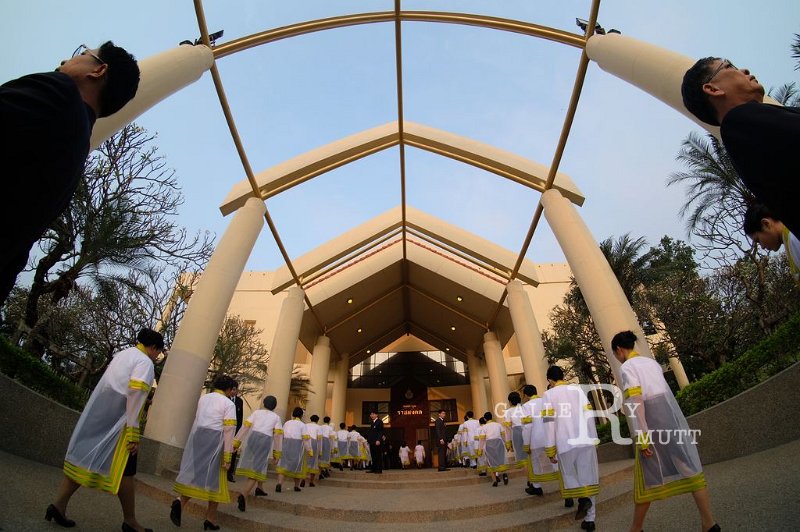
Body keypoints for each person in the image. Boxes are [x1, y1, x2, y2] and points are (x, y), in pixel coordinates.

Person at [0, 42, 140, 307]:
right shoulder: (77, 152)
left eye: (82, 54)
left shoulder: (58, 93)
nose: (66, 60)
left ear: (99, 70)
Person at [46, 328, 163, 532]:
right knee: (126, 470)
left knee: (86, 459)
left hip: (100, 415)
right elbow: (135, 395)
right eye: (158, 352)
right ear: (153, 347)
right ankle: (130, 522)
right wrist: (133, 433)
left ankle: (58, 505)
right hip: (119, 422)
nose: (157, 356)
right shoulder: (144, 362)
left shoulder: (123, 354)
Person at [611, 331, 720, 532]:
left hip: (651, 423)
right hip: (670, 419)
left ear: (619, 349)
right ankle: (709, 523)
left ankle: (635, 529)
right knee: (690, 469)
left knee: (646, 478)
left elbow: (637, 401)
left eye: (615, 354)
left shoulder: (627, 367)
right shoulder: (651, 363)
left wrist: (643, 436)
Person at [681, 57, 800, 236]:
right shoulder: (738, 123)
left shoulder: (742, 133)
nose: (744, 70)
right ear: (713, 89)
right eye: (730, 66)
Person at [170, 374, 238, 531]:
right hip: (215, 440)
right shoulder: (228, 403)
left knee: (201, 475)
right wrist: (228, 456)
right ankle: (201, 513)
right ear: (229, 389)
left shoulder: (204, 398)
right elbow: (229, 429)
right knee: (215, 479)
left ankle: (206, 516)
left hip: (198, 436)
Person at [543, 365, 599, 531]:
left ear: (549, 380)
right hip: (585, 438)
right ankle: (590, 519)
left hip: (564, 442)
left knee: (569, 475)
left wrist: (550, 448)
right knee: (587, 477)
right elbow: (589, 414)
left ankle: (582, 498)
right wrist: (593, 436)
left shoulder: (548, 394)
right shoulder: (577, 390)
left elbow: (549, 423)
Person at [232, 395, 283, 513]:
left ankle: (260, 488)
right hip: (264, 441)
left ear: (264, 403)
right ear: (274, 406)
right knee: (257, 468)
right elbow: (278, 436)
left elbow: (245, 427)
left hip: (252, 438)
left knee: (258, 464)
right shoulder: (276, 417)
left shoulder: (256, 413)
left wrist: (236, 442)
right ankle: (244, 494)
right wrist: (277, 453)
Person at [743, 202, 800, 284]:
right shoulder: (789, 240)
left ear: (766, 224)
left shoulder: (794, 239)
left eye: (758, 240)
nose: (762, 246)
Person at [521, 384, 560, 497]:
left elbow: (527, 427)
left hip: (536, 439)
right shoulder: (545, 401)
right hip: (550, 437)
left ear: (526, 395)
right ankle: (563, 485)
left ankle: (537, 487)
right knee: (555, 461)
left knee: (535, 461)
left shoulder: (526, 406)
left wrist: (526, 444)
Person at [275, 407, 311, 493]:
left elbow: (282, 435)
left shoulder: (287, 423)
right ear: (301, 415)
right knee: (298, 466)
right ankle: (296, 486)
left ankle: (279, 483)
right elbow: (305, 439)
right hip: (297, 446)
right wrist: (309, 450)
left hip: (286, 444)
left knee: (283, 465)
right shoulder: (302, 425)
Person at [476, 412, 509, 487]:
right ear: (492, 417)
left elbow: (482, 440)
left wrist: (480, 450)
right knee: (501, 460)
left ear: (485, 419)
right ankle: (504, 474)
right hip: (499, 443)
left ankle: (495, 481)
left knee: (490, 462)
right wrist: (507, 444)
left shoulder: (484, 427)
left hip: (489, 445)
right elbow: (503, 435)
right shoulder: (498, 425)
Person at [504, 392, 529, 476]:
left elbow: (507, 428)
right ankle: (534, 477)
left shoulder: (508, 411)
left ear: (510, 401)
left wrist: (508, 443)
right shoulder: (524, 407)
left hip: (517, 432)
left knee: (521, 455)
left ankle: (529, 478)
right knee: (529, 454)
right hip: (527, 430)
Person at [227, 381, 244, 483]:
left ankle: (230, 473)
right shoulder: (225, 399)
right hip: (225, 430)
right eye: (232, 389)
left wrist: (238, 433)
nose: (233, 391)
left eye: (235, 389)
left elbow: (240, 417)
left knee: (233, 452)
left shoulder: (239, 401)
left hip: (235, 431)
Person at [303, 415, 322, 487]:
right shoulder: (318, 427)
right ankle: (311, 481)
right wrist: (320, 450)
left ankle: (303, 478)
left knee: (305, 461)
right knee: (314, 462)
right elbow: (319, 439)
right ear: (317, 420)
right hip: (314, 443)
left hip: (305, 442)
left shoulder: (306, 425)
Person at [366, 409, 385, 474]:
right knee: (373, 456)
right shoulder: (372, 422)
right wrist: (368, 440)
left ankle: (379, 470)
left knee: (378, 456)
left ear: (376, 415)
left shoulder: (379, 421)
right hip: (372, 442)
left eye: (373, 414)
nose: (372, 415)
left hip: (377, 442)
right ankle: (373, 469)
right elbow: (371, 433)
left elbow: (381, 431)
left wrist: (378, 440)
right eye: (371, 414)